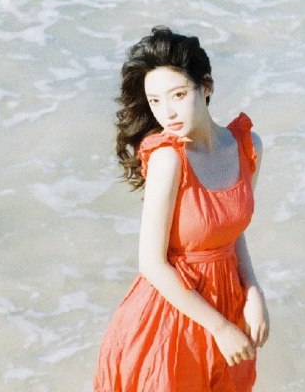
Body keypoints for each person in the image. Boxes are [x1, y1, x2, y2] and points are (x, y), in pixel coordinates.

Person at [93, 26, 270, 392]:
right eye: (155, 101)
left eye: (178, 95)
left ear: (206, 86)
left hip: (227, 304)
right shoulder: (168, 159)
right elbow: (151, 264)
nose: (168, 113)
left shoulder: (246, 146)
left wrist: (253, 292)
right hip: (171, 317)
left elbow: (232, 233)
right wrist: (219, 327)